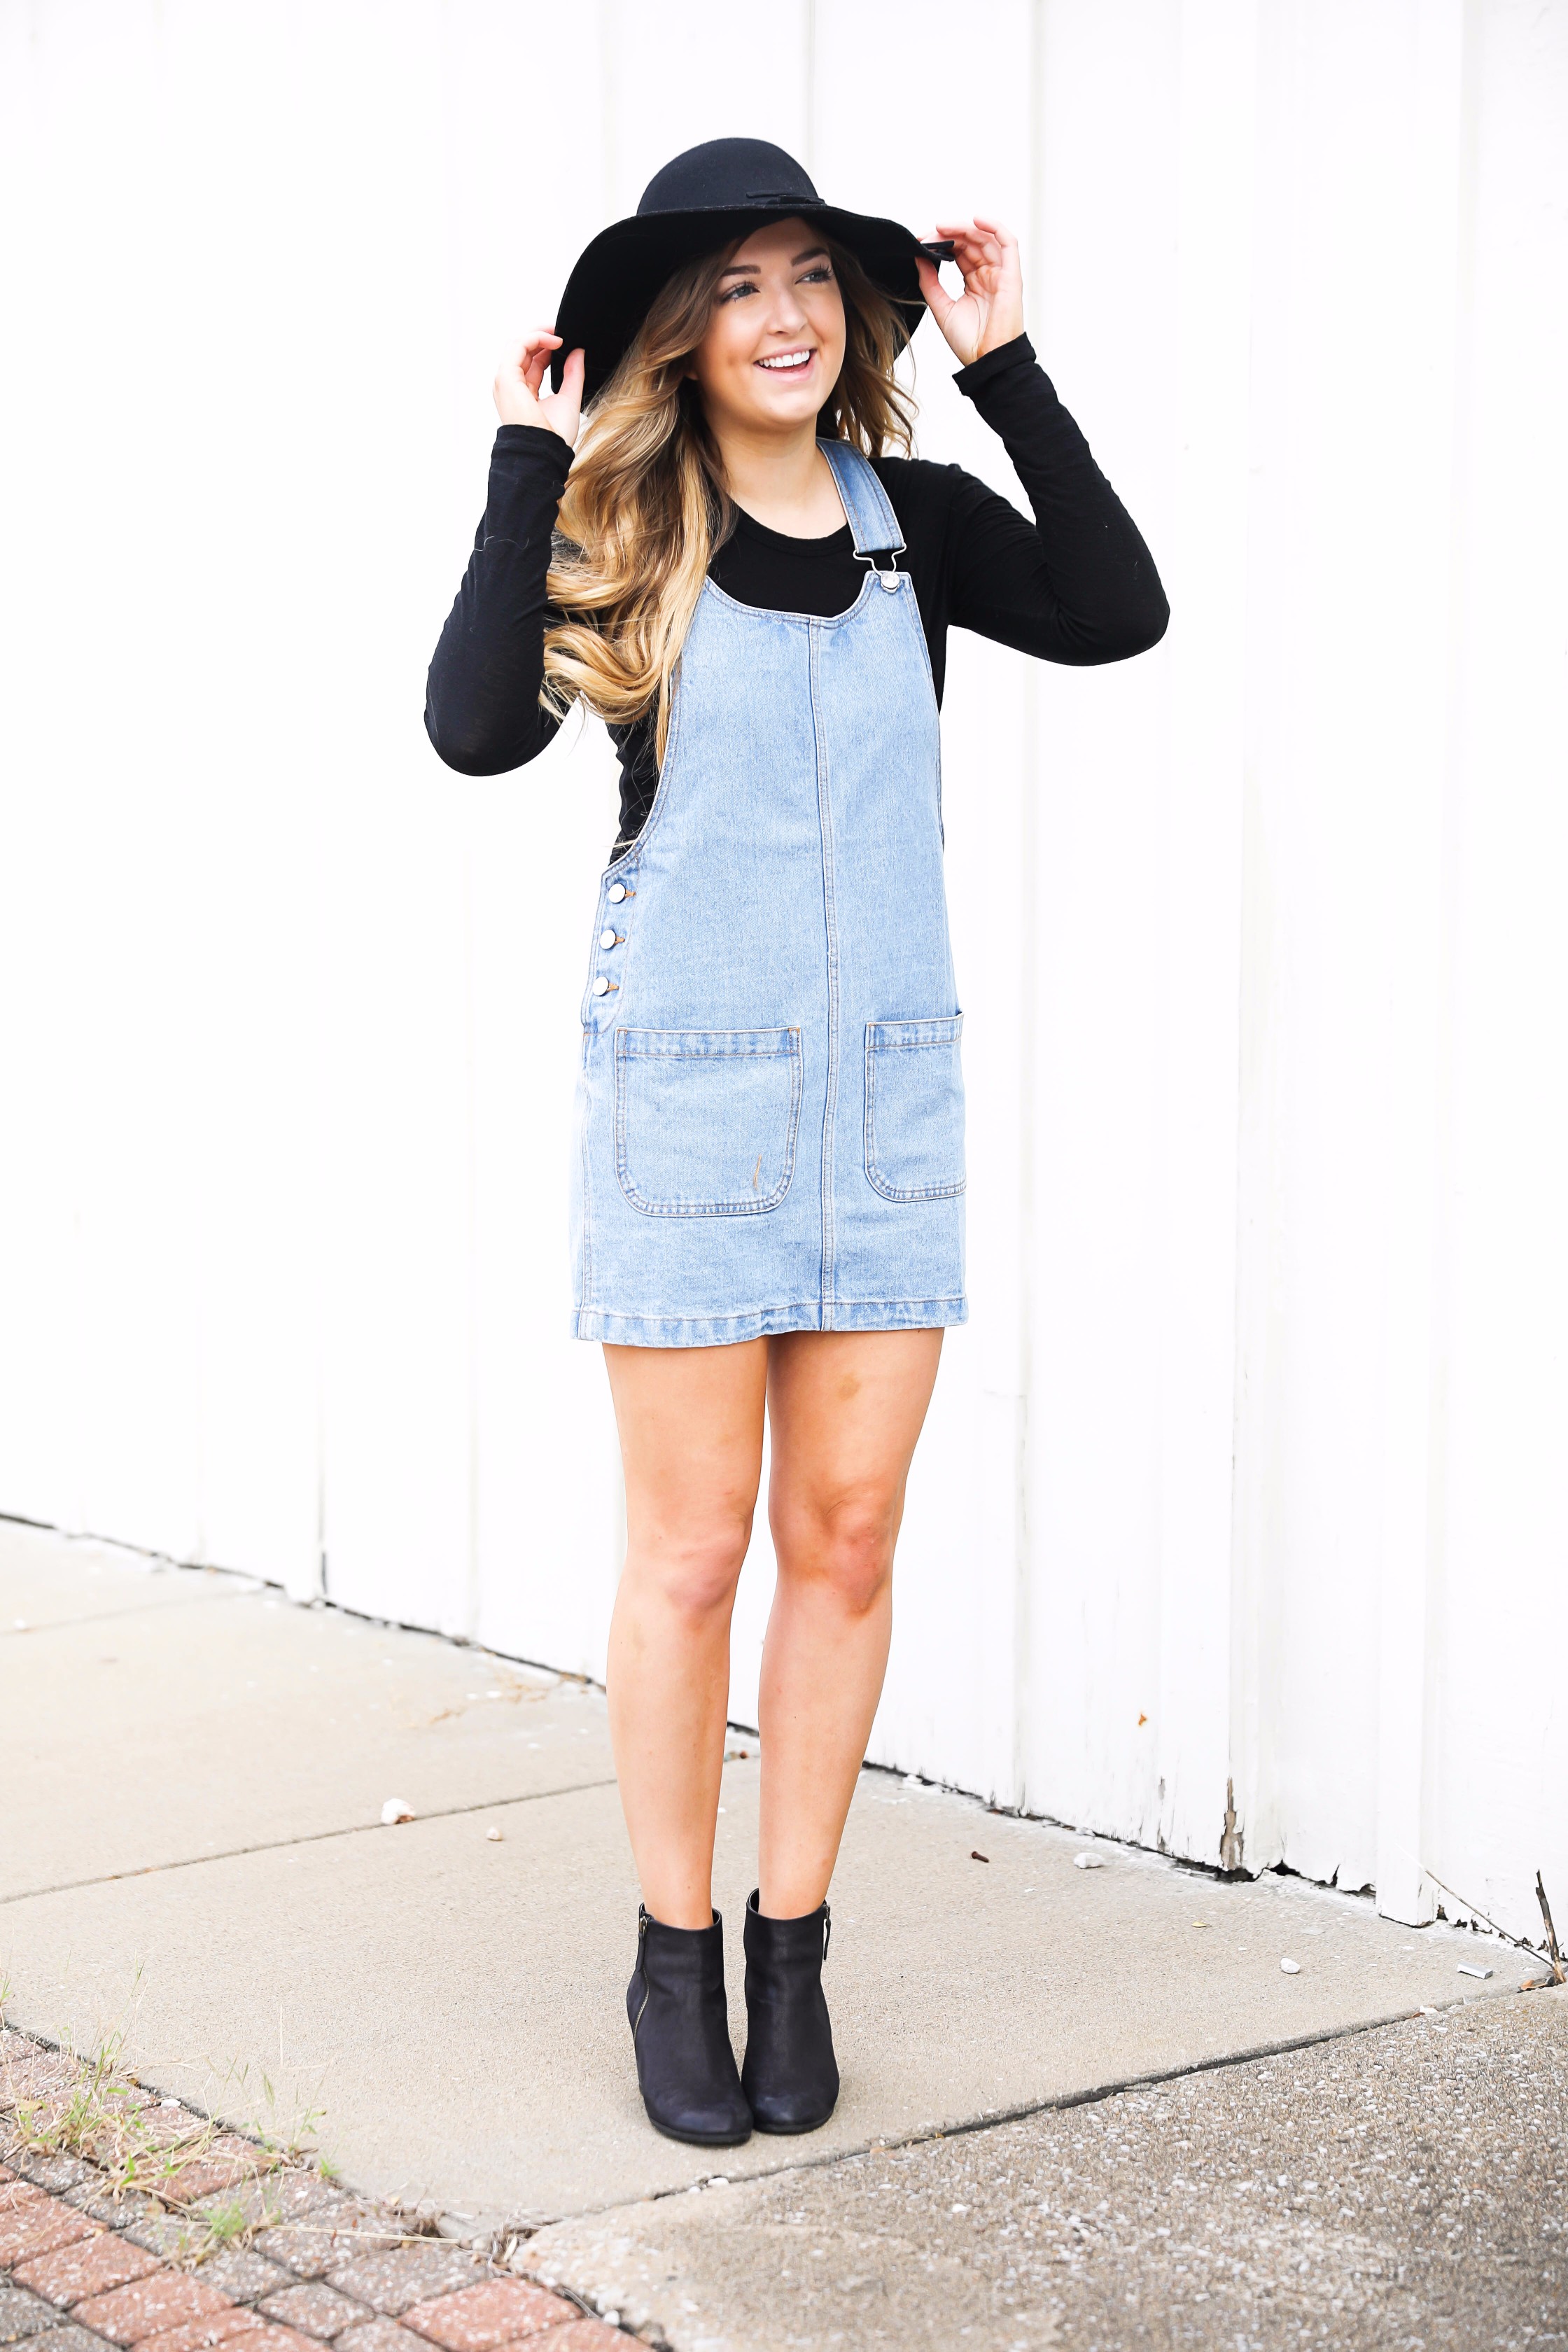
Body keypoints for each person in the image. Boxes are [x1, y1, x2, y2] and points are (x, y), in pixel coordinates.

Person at [426, 138, 1167, 2148]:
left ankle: (794, 1939)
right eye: (742, 283)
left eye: (816, 280)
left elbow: (1118, 609)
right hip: (688, 1102)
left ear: (854, 317)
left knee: (846, 1542)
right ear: (681, 327)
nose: (785, 312)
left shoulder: (914, 517)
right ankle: (672, 1953)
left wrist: (1003, 365)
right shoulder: (625, 523)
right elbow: (478, 728)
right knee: (688, 1559)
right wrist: (526, 458)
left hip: (884, 1100)